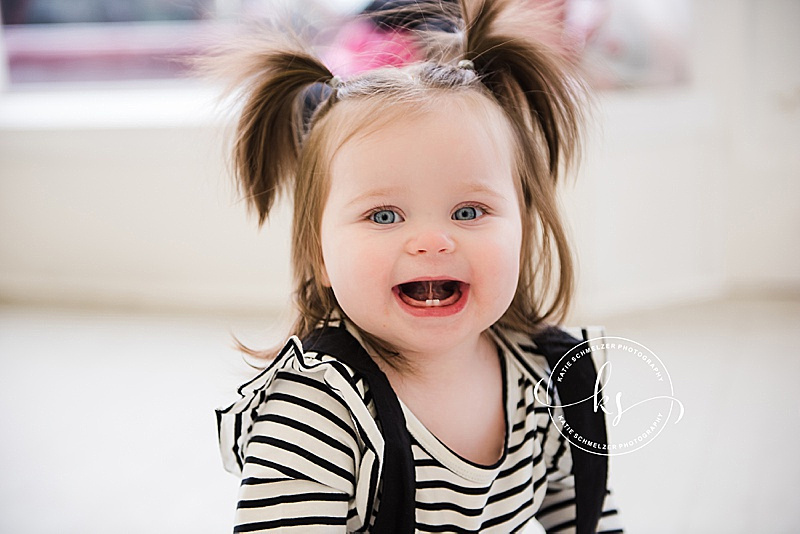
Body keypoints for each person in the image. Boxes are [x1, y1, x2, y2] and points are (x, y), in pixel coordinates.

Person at [212, 0, 623, 532]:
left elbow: (579, 511)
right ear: (320, 252)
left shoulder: (546, 376)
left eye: (469, 211)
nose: (432, 241)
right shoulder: (318, 410)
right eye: (384, 215)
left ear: (525, 225)